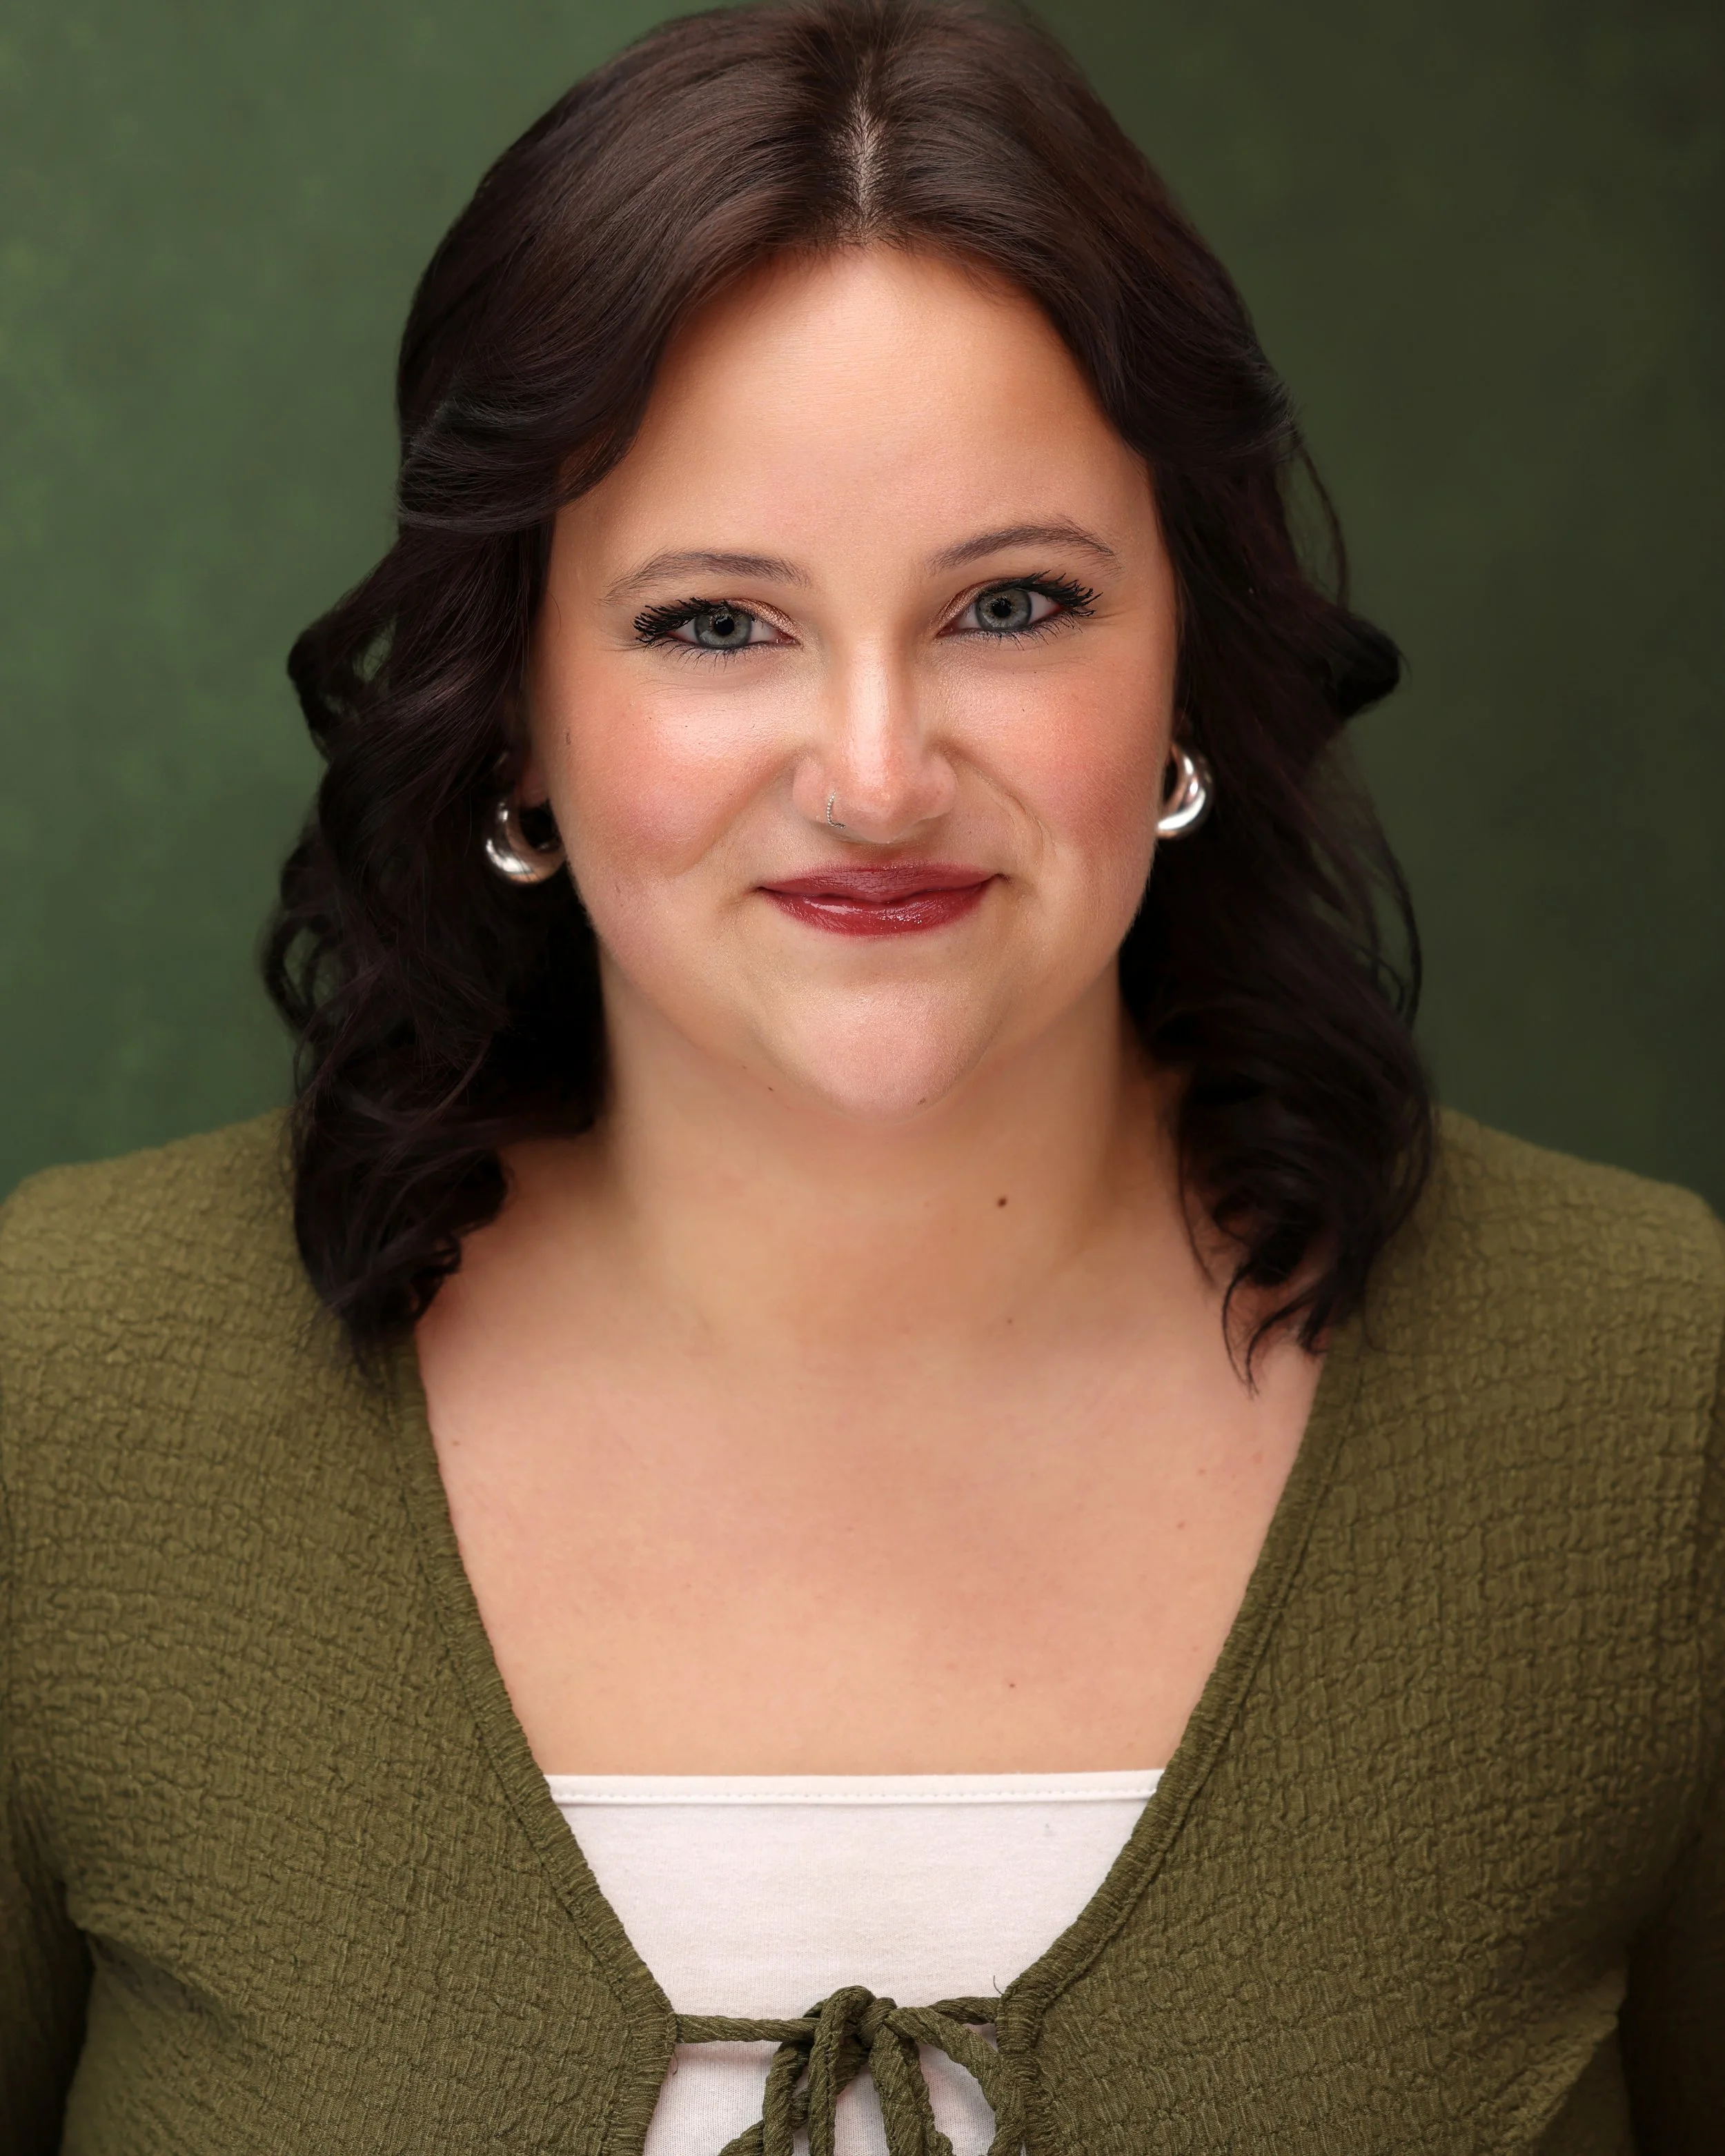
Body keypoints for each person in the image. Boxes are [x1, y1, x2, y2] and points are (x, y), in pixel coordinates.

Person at [2, 1, 1719, 2149]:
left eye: (1011, 601)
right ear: (512, 700)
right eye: (715, 624)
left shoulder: (1653, 1401)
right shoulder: (57, 1405)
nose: (879, 772)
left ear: (1185, 645)